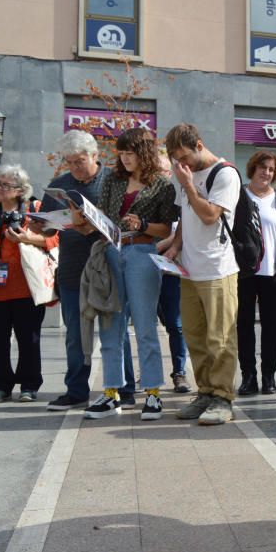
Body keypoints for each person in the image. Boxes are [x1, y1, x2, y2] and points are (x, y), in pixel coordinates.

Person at [78, 128, 178, 421]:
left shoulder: (162, 185)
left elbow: (166, 229)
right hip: (111, 251)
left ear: (144, 152)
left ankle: (153, 395)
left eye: (130, 153)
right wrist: (85, 218)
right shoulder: (112, 179)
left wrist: (143, 223)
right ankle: (111, 394)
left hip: (143, 253)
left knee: (146, 326)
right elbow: (105, 217)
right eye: (121, 153)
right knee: (110, 324)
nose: (124, 158)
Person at [164, 123, 241, 425]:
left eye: (184, 156)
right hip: (189, 269)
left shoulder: (225, 174)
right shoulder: (186, 175)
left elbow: (209, 216)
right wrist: (175, 246)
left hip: (218, 268)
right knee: (195, 336)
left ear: (199, 144)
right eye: (175, 160)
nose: (180, 165)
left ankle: (223, 398)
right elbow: (186, 215)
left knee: (219, 338)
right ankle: (206, 393)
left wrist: (189, 186)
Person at [38, 131, 118, 410]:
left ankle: (122, 389)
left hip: (105, 269)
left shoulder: (113, 181)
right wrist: (44, 223)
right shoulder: (59, 186)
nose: (74, 167)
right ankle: (76, 390)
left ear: (95, 156)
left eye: (80, 161)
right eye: (69, 162)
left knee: (113, 330)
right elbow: (43, 227)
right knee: (75, 334)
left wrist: (90, 224)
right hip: (71, 270)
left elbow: (119, 226)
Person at [0, 165, 58, 403]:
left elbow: (53, 239)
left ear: (20, 190)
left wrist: (27, 237)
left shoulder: (34, 209)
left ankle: (29, 385)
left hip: (26, 286)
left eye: (5, 185)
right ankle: (1, 385)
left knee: (28, 338)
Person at [237, 150, 276, 396]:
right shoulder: (239, 195)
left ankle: (269, 376)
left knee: (270, 326)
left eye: (271, 169)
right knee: (244, 325)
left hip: (272, 271)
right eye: (262, 167)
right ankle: (248, 376)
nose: (266, 173)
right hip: (245, 271)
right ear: (253, 168)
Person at [155, 154, 189, 394]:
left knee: (175, 326)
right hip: (142, 271)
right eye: (155, 171)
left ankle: (180, 373)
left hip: (169, 273)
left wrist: (169, 241)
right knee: (144, 326)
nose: (160, 176)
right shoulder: (138, 199)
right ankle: (147, 375)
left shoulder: (177, 203)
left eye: (164, 172)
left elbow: (182, 234)